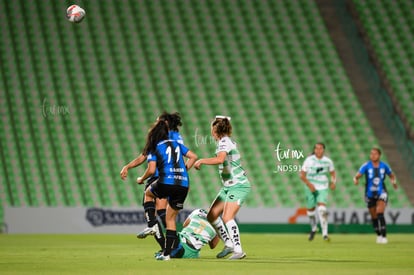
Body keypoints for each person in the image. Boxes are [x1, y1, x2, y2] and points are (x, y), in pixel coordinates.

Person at [120, 112, 184, 252]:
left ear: (165, 123)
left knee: (150, 208)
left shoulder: (162, 138)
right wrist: (128, 166)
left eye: (158, 121)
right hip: (171, 178)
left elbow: (150, 161)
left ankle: (163, 240)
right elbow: (143, 155)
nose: (156, 124)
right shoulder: (175, 137)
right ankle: (173, 246)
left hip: (159, 177)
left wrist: (141, 178)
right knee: (162, 212)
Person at [136, 119, 197, 260]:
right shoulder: (177, 143)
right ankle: (167, 254)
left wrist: (141, 179)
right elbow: (194, 157)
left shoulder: (155, 146)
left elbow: (151, 170)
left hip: (166, 180)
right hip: (183, 184)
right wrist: (183, 170)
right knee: (170, 219)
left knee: (148, 193)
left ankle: (151, 224)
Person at [194, 115, 251, 260]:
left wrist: (201, 161)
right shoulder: (226, 141)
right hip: (228, 187)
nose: (211, 133)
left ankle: (238, 250)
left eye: (212, 129)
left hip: (238, 186)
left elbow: (220, 159)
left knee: (227, 217)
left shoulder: (224, 142)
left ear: (215, 130)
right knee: (212, 215)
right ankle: (228, 244)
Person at [353, 147, 397, 244]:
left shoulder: (384, 166)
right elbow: (357, 176)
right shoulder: (366, 165)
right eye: (371, 154)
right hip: (369, 193)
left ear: (379, 155)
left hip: (382, 191)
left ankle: (384, 236)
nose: (373, 155)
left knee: (380, 212)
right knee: (374, 216)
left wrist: (394, 182)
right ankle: (378, 234)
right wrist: (356, 180)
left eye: (375, 154)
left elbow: (392, 175)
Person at [300, 142, 336, 242]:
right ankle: (314, 228)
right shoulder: (309, 160)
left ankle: (325, 234)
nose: (318, 150)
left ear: (323, 150)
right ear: (314, 150)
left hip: (322, 187)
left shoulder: (328, 161)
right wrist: (309, 185)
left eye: (320, 148)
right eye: (316, 148)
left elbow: (332, 173)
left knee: (322, 209)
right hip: (310, 186)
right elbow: (302, 175)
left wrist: (333, 182)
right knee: (310, 212)